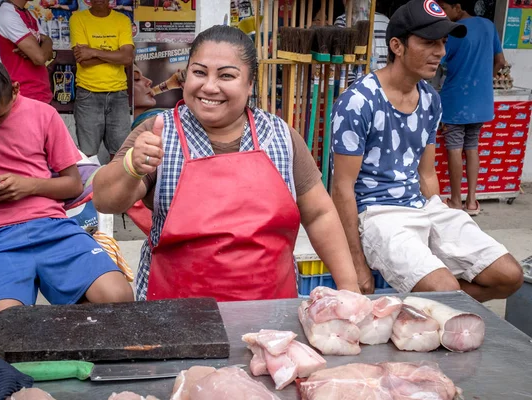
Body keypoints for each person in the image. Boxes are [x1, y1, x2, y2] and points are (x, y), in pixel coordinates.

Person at [93, 25, 360, 301]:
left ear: (249, 84)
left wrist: (349, 288)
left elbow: (319, 215)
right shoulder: (158, 131)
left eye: (226, 76)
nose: (209, 86)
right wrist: (131, 167)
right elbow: (104, 200)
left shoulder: (280, 137)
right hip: (174, 314)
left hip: (270, 316)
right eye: (199, 72)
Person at [331, 0, 523, 301]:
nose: (441, 53)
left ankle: (417, 307)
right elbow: (341, 188)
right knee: (444, 290)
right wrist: (356, 263)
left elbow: (427, 172)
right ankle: (435, 304)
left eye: (444, 42)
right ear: (397, 45)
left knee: (509, 276)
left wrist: (440, 225)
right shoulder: (358, 101)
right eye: (429, 43)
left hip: (422, 206)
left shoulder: (430, 99)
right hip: (378, 214)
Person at [0, 57, 135, 314]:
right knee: (5, 322)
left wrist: (28, 186)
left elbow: (73, 185)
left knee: (120, 298)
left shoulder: (43, 114)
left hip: (52, 227)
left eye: (0, 116)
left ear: (16, 89)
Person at [438, 0, 506, 216]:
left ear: (458, 8)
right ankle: (472, 202)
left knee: (455, 147)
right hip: (481, 99)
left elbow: (439, 60)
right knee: (472, 147)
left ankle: (456, 201)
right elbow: (501, 61)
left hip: (456, 99)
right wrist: (487, 78)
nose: (444, 15)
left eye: (445, 10)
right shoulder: (488, 25)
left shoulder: (454, 31)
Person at [70, 0, 135, 159]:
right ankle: (91, 185)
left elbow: (127, 57)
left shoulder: (122, 20)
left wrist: (93, 51)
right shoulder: (78, 19)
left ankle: (114, 184)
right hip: (88, 94)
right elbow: (84, 61)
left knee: (121, 154)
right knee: (88, 154)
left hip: (118, 94)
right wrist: (114, 54)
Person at [0, 0, 54, 103]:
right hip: (24, 96)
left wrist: (48, 41)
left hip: (41, 94)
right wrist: (42, 47)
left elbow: (49, 54)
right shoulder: (7, 15)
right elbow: (39, 58)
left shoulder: (28, 13)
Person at [334, 0, 390, 73]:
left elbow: (338, 58)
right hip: (383, 79)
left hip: (354, 80)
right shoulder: (385, 20)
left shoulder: (342, 20)